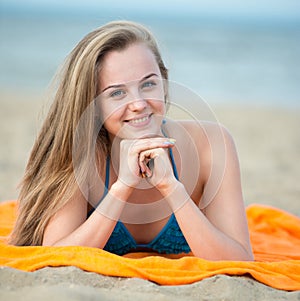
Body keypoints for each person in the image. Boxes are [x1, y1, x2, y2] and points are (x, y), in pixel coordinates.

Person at [10, 20, 254, 261]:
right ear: (94, 105)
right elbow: (55, 258)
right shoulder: (82, 153)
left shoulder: (210, 143)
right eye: (117, 93)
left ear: (164, 83)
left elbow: (239, 259)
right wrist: (121, 188)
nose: (138, 104)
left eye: (148, 84)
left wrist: (173, 188)